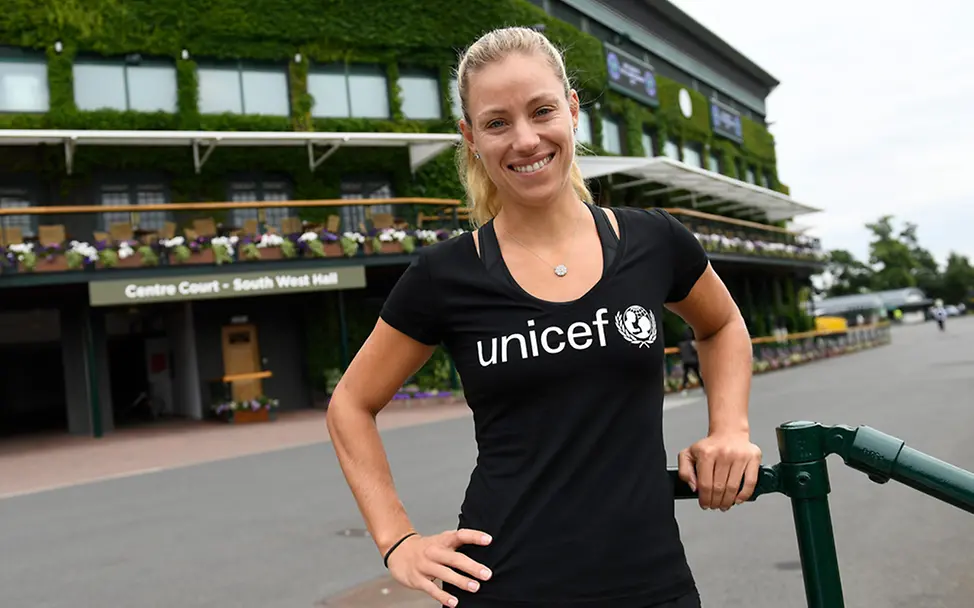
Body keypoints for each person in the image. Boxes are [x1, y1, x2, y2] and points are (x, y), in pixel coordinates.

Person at [325, 26, 761, 608]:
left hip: (650, 582)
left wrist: (729, 427)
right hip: (504, 582)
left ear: (572, 111)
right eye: (497, 122)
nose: (525, 139)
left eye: (541, 111)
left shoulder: (654, 242)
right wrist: (397, 539)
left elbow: (723, 325)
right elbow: (350, 404)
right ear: (471, 137)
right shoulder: (446, 274)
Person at [678, 326, 703, 393]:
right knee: (697, 374)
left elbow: (680, 354)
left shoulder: (681, 344)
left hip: (685, 361)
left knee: (685, 375)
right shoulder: (692, 343)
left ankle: (684, 388)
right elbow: (695, 351)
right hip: (693, 361)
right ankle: (703, 387)